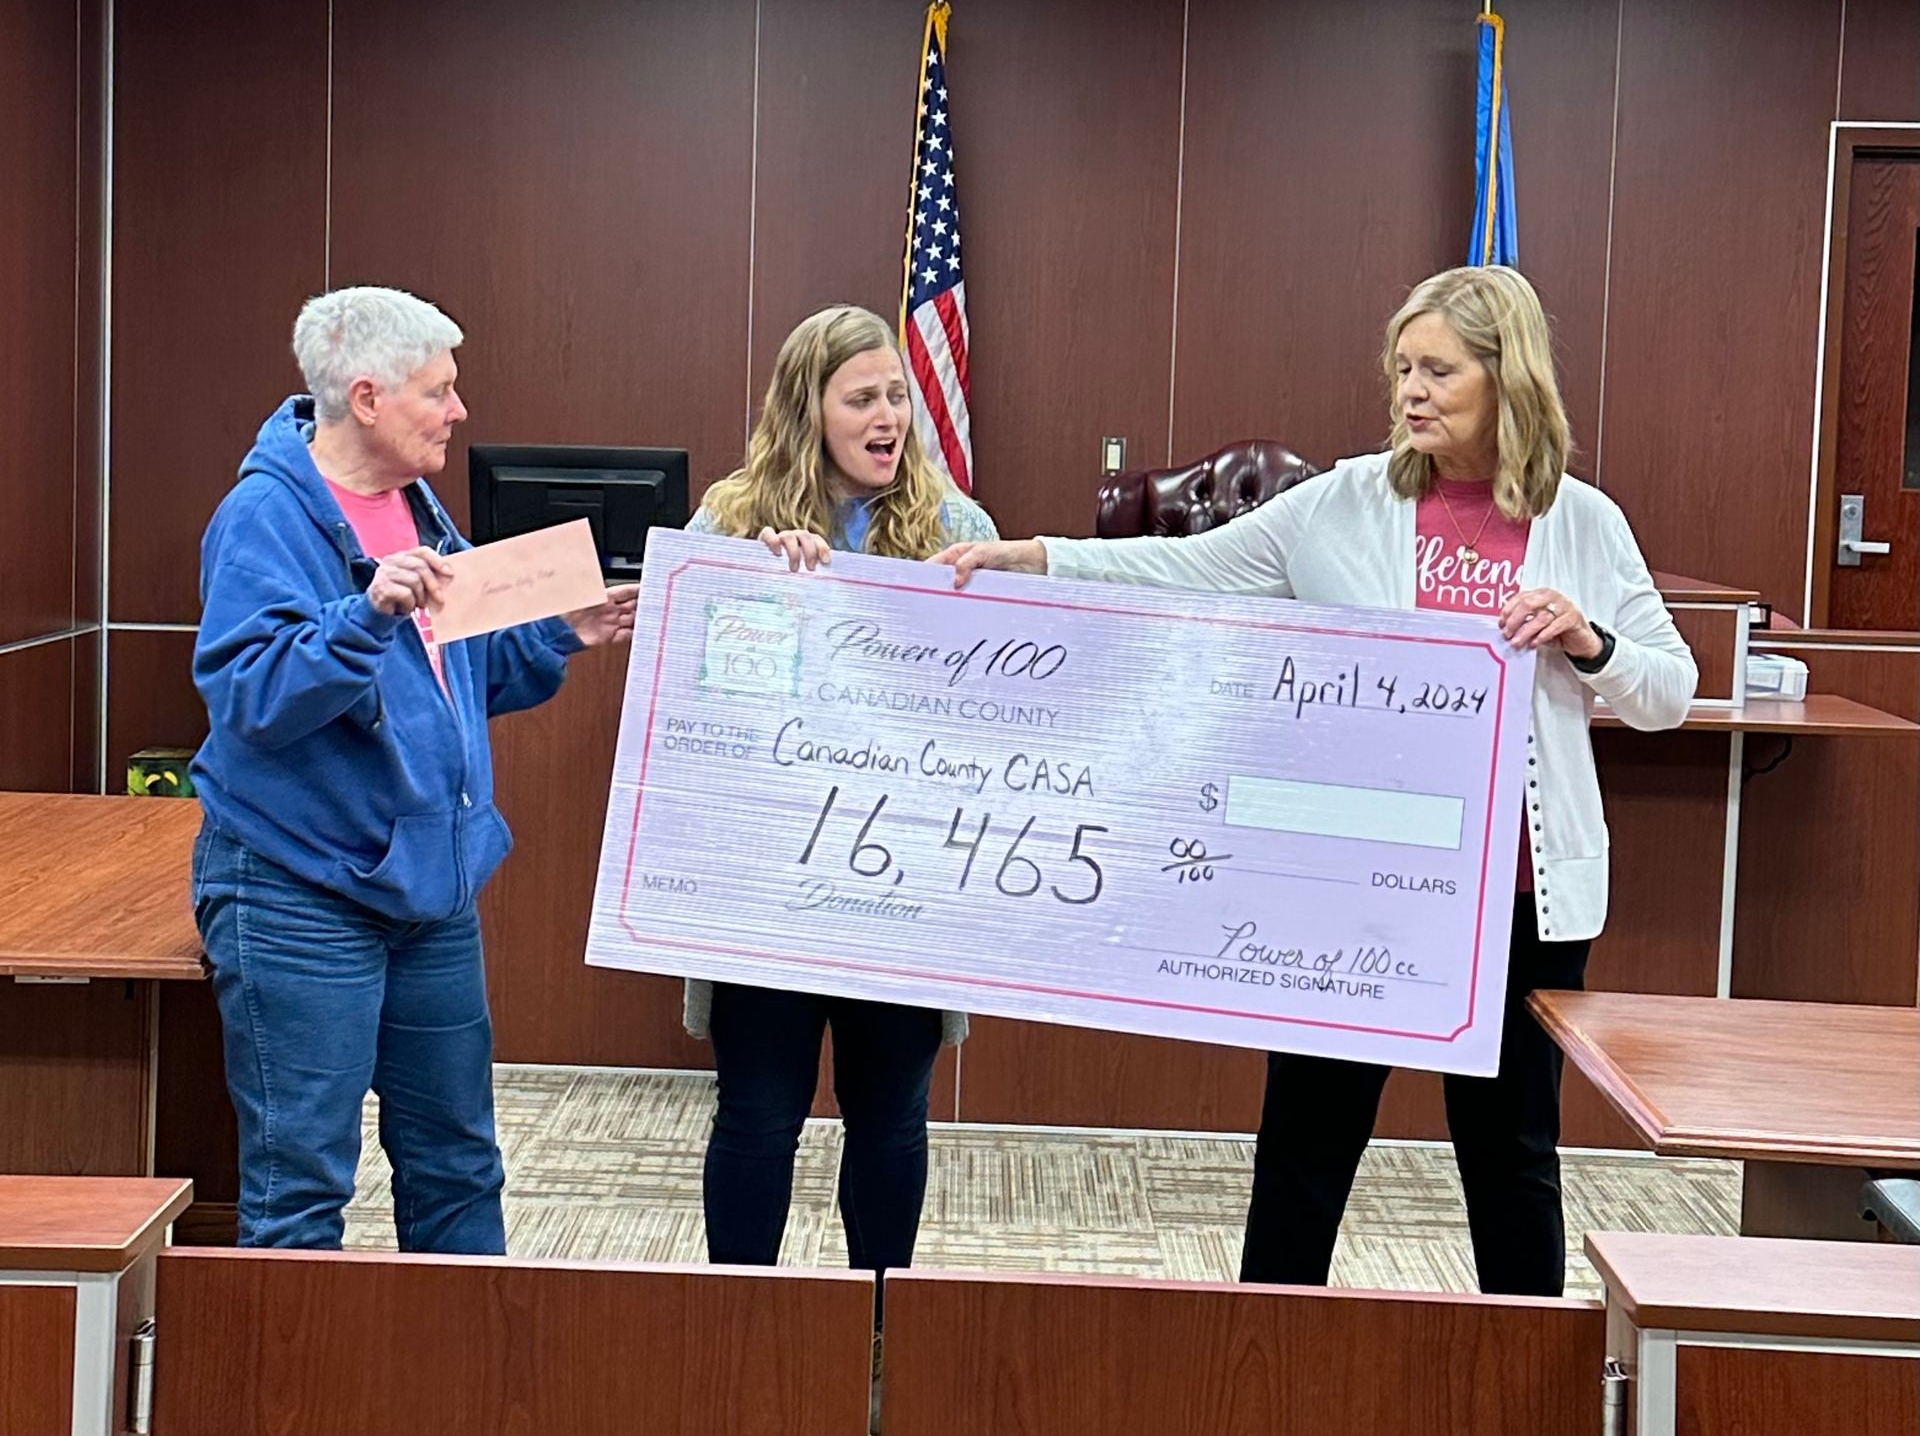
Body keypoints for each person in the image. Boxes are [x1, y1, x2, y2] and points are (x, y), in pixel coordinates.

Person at [936, 266, 1696, 1297]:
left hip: (1519, 895)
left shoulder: (1583, 521)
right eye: (1401, 370)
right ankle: (1271, 1352)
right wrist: (1036, 559)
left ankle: (1527, 1367)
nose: (1411, 392)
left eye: (1438, 370)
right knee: (1306, 1140)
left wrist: (1590, 639)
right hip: (1352, 889)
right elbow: (1186, 568)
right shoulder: (1343, 504)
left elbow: (1671, 689)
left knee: (1511, 1148)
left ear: (1505, 376)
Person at [191, 285, 637, 1252]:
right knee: (303, 1182)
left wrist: (562, 632)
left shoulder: (416, 506)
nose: (459, 410)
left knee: (459, 1163)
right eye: (439, 391)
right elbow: (253, 698)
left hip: (428, 894)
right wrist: (365, 617)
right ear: (366, 399)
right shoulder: (265, 517)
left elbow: (455, 677)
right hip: (300, 891)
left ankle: (462, 1394)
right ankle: (295, 1403)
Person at [684, 304, 996, 1297]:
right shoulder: (730, 519)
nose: (889, 415)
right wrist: (757, 594)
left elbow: (995, 706)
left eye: (897, 394)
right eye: (862, 396)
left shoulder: (956, 527)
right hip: (768, 878)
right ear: (806, 409)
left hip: (898, 878)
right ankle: (741, 1322)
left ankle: (877, 1316)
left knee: (891, 1112)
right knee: (758, 1110)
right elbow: (687, 696)